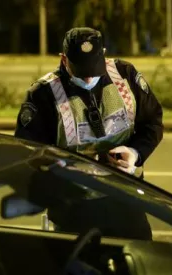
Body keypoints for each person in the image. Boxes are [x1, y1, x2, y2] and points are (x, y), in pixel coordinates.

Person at [14, 27, 164, 240]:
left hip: (127, 204)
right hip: (73, 211)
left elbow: (152, 122)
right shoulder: (43, 95)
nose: (87, 79)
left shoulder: (125, 76)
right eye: (80, 71)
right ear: (64, 59)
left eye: (93, 70)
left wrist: (135, 153)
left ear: (103, 53)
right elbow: (27, 152)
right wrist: (58, 173)